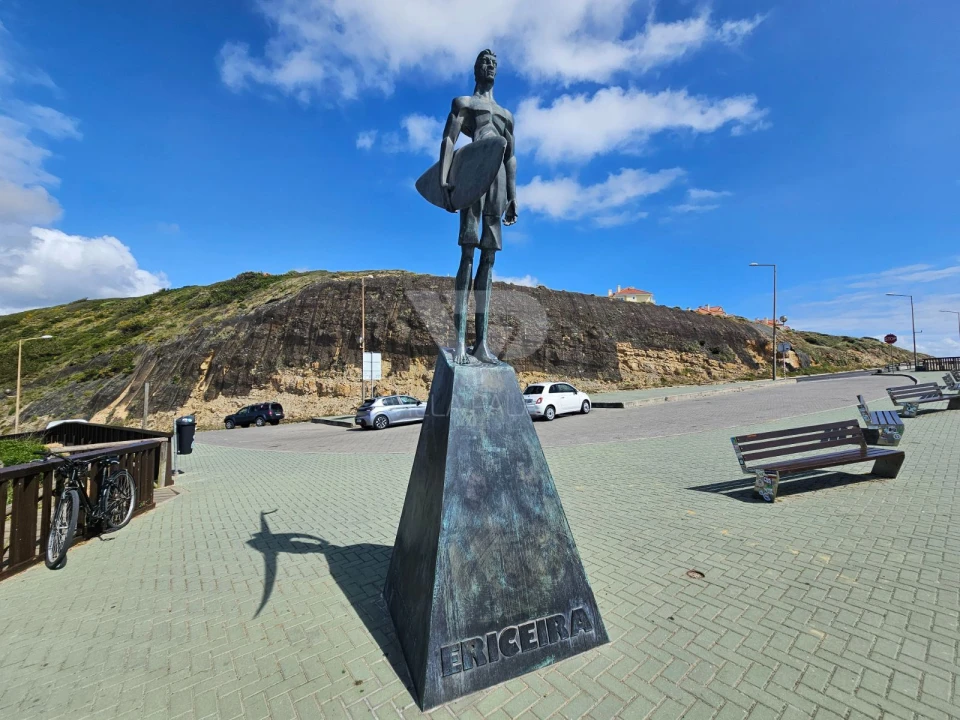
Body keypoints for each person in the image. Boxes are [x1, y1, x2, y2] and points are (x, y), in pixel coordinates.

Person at [438, 49, 517, 365]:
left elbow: (510, 155)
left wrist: (513, 195)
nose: (491, 66)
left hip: (497, 181)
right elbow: (449, 140)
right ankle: (460, 341)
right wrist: (445, 180)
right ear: (475, 69)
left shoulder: (507, 115)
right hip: (472, 177)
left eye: (495, 62)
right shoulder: (464, 104)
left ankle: (481, 343)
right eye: (485, 61)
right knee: (468, 254)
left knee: (489, 258)